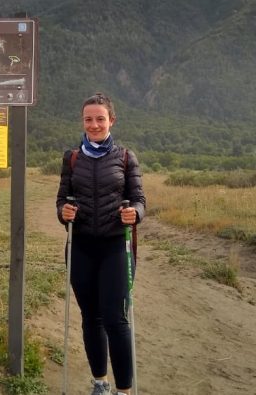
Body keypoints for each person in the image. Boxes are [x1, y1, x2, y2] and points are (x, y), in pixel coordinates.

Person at [56, 92, 146, 395]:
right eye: (88, 119)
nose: (94, 124)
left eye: (100, 119)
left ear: (111, 120)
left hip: (114, 246)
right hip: (81, 245)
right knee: (90, 317)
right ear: (83, 121)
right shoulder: (72, 158)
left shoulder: (125, 157)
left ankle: (123, 390)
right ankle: (100, 383)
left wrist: (136, 213)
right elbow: (61, 201)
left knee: (114, 318)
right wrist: (63, 212)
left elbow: (140, 200)